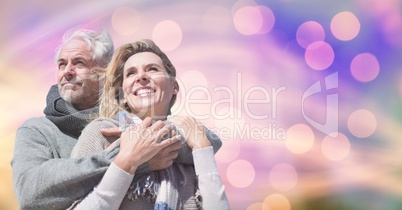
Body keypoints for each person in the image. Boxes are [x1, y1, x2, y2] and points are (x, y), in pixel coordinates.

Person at [11, 29, 221, 210]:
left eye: (79, 63)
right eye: (61, 64)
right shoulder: (38, 130)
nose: (67, 71)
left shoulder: (127, 123)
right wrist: (135, 159)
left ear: (105, 75)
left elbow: (210, 140)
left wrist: (196, 142)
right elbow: (30, 193)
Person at [69, 39, 230, 209]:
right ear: (123, 94)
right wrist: (127, 163)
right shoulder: (101, 133)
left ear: (174, 86)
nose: (141, 77)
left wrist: (202, 146)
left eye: (152, 69)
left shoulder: (189, 147)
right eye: (131, 73)